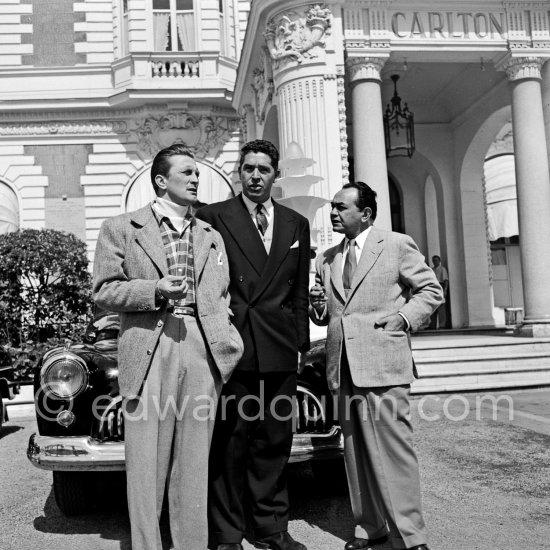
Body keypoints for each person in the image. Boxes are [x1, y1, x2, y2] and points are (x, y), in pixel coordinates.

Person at [92, 143, 244, 550]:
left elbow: (222, 292)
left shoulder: (209, 234)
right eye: (188, 173)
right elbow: (105, 290)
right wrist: (153, 290)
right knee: (146, 461)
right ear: (162, 180)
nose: (197, 179)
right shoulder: (122, 227)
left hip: (201, 345)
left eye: (197, 173)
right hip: (148, 342)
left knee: (194, 460)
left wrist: (226, 336)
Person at [309, 182, 442, 550]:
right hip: (342, 367)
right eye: (333, 207)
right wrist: (316, 304)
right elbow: (326, 316)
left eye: (340, 207)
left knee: (395, 450)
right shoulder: (327, 257)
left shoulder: (397, 244)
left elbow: (430, 291)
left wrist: (403, 318)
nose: (333, 213)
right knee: (354, 453)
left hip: (383, 360)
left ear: (365, 213)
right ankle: (370, 527)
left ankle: (411, 536)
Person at [196, 139, 310, 550]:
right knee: (230, 443)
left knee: (274, 443)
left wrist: (299, 345)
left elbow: (298, 293)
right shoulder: (212, 217)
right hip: (233, 345)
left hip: (279, 348)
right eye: (248, 169)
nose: (256, 176)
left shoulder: (296, 223)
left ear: (275, 174)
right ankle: (226, 534)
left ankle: (271, 529)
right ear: (238, 173)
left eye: (264, 169)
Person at [429, 255, 449, 329]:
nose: (435, 262)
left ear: (439, 261)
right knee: (432, 307)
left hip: (440, 287)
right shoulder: (431, 270)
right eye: (434, 260)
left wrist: (445, 290)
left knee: (441, 308)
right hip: (432, 288)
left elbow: (446, 280)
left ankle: (442, 325)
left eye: (436, 260)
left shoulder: (442, 269)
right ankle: (433, 324)